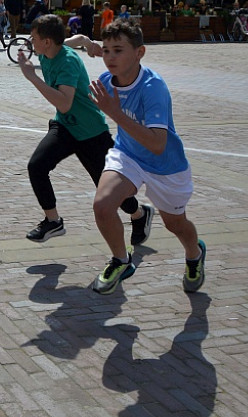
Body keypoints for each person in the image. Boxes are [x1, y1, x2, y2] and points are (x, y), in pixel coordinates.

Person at [87, 18, 205, 295]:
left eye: (118, 50)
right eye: (106, 50)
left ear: (139, 53)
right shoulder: (106, 82)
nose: (110, 57)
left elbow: (157, 144)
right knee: (103, 206)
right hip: (127, 155)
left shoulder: (153, 88)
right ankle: (121, 260)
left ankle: (194, 254)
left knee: (175, 224)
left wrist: (114, 113)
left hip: (165, 165)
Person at [17, 14, 153, 249]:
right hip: (65, 127)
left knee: (110, 191)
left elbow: (64, 103)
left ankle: (140, 214)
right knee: (36, 166)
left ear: (47, 41)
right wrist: (87, 42)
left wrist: (32, 77)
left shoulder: (67, 62)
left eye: (34, 37)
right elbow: (75, 39)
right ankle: (53, 221)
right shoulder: (52, 49)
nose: (30, 41)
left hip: (91, 132)